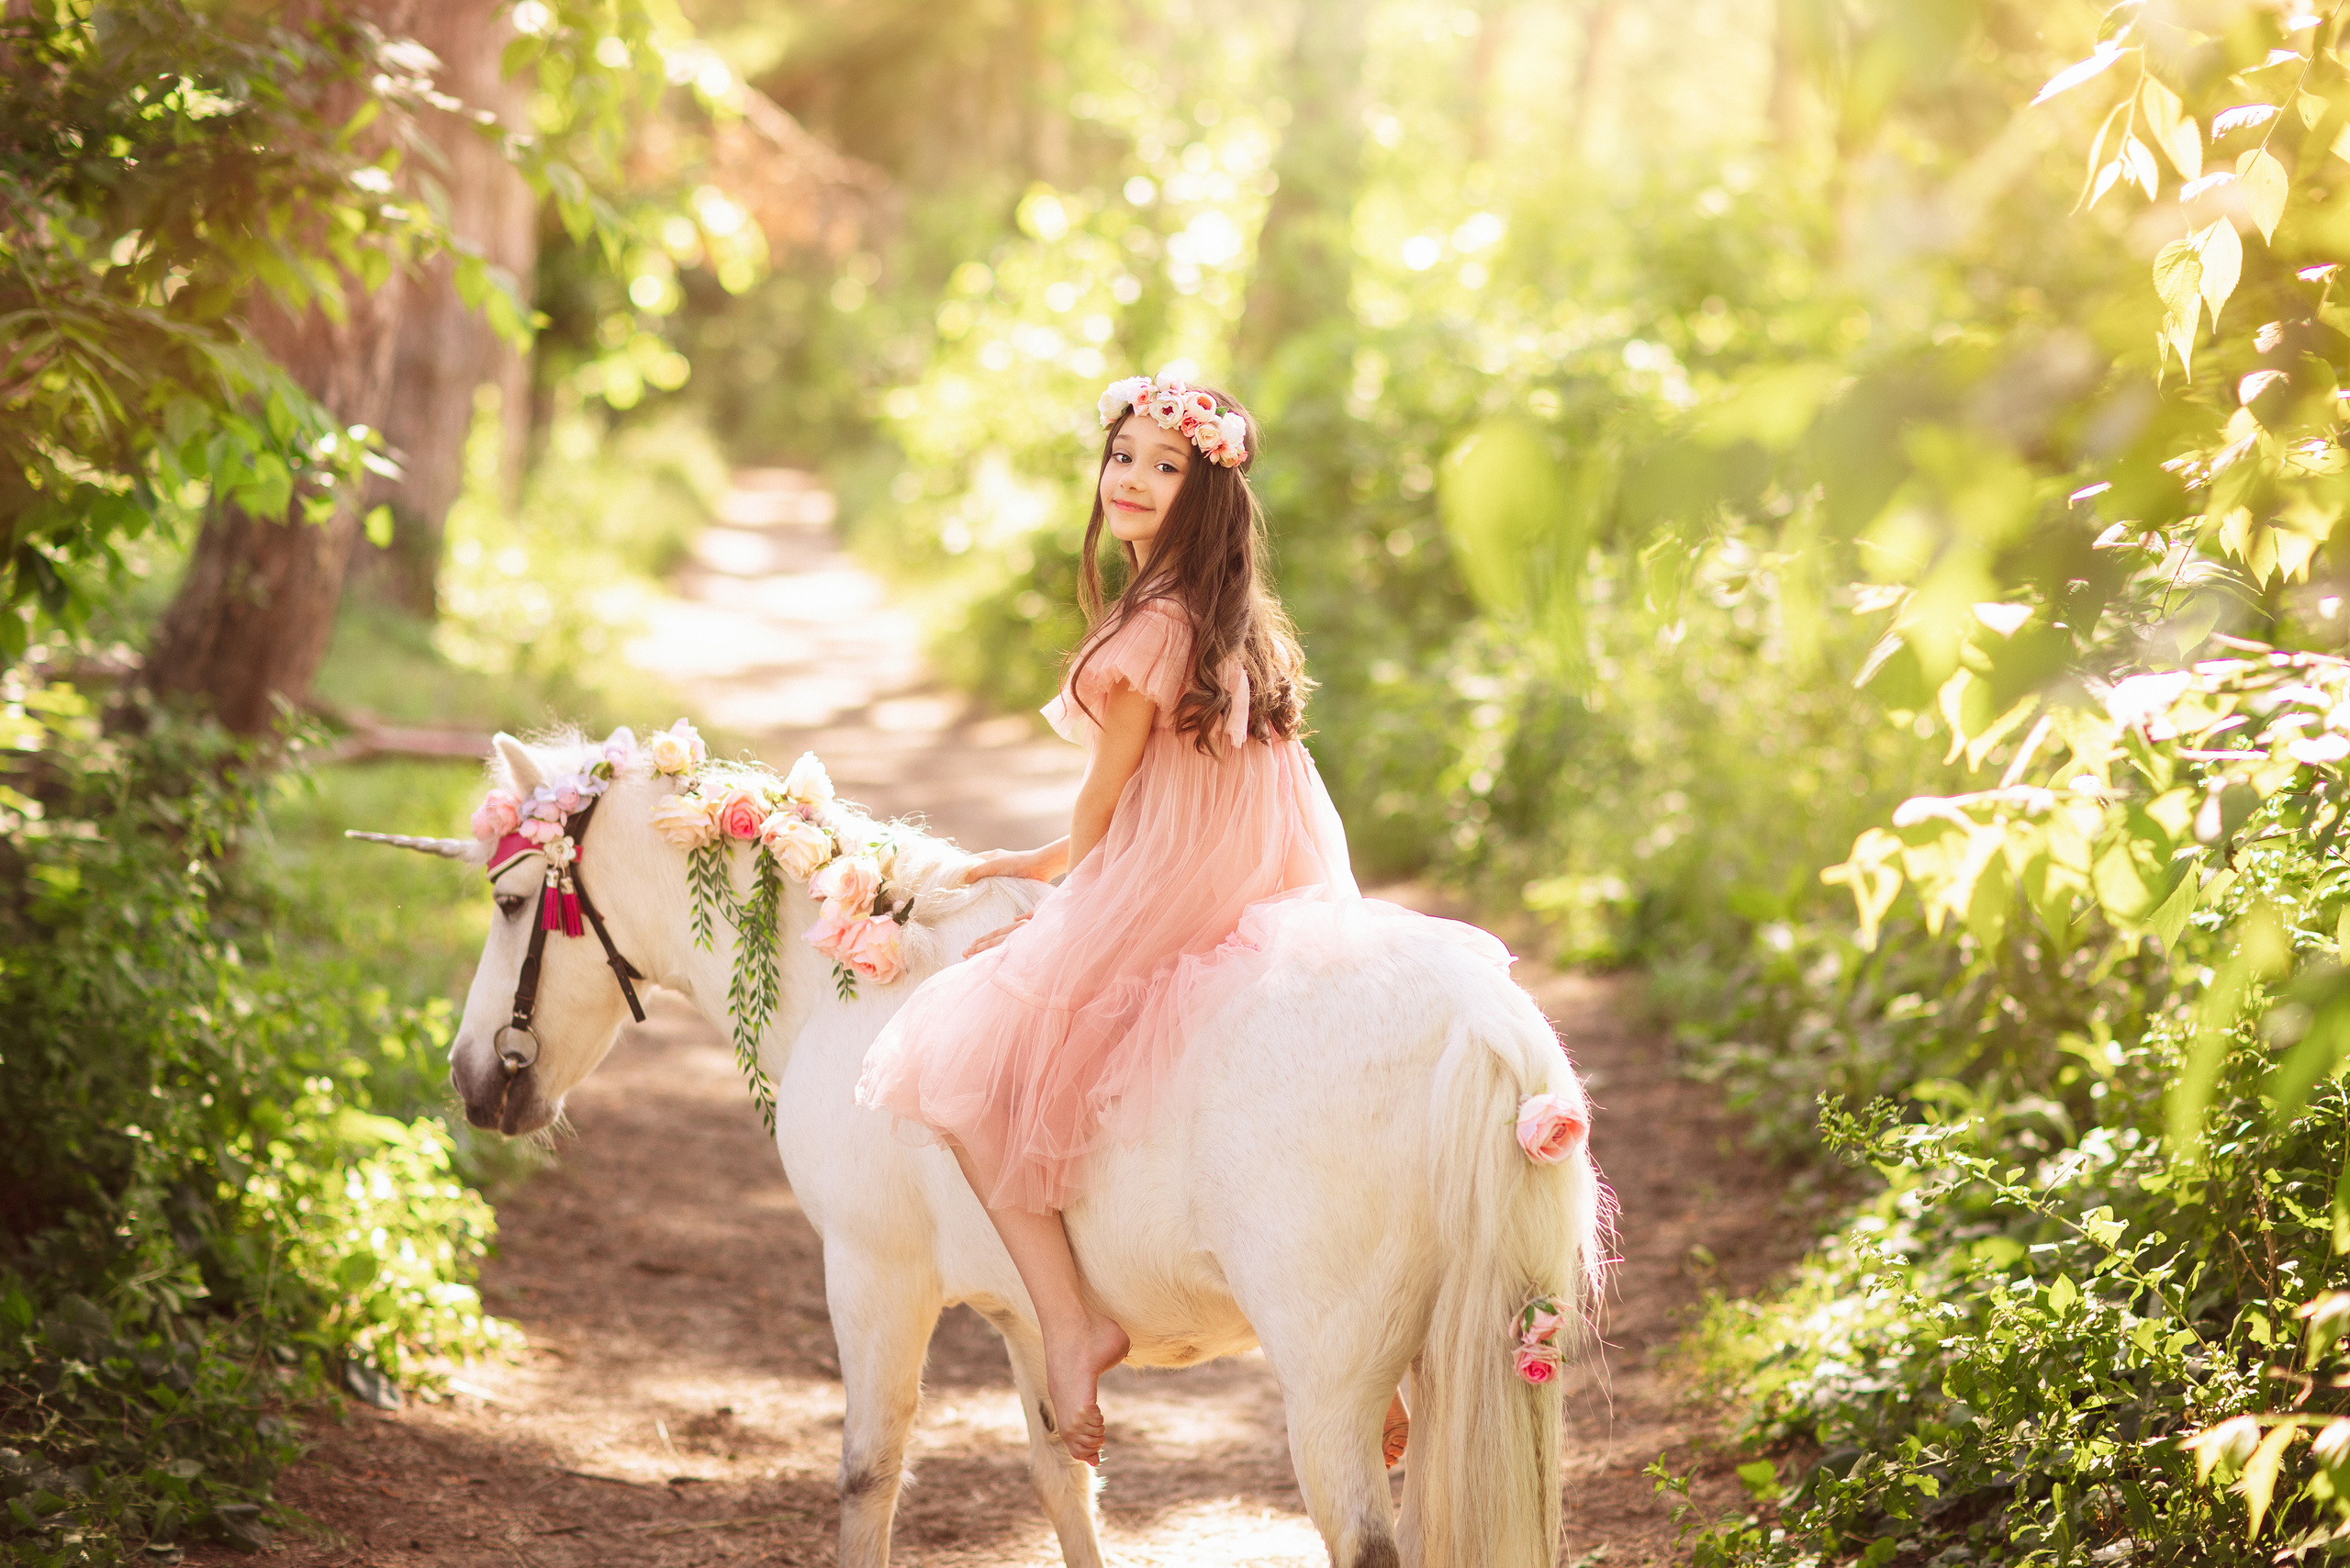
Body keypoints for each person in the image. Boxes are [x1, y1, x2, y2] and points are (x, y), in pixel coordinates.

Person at [854, 372, 1409, 1469]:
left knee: (957, 1063)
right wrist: (1041, 860)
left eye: (1166, 465)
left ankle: (1072, 1320)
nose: (1135, 479)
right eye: (1123, 457)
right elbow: (1178, 790)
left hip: (1178, 883)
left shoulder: (1146, 625)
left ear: (1205, 494)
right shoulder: (1228, 620)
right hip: (1262, 874)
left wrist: (1069, 902)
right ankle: (1378, 1356)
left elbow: (1111, 802)